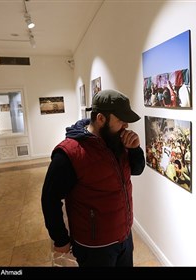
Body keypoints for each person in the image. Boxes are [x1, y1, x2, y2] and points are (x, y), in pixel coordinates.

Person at [41, 89, 145, 267]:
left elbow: (136, 170)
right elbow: (50, 198)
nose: (126, 125)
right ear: (101, 119)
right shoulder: (69, 153)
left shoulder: (118, 142)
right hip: (95, 246)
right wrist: (60, 239)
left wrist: (135, 149)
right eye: (121, 120)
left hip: (124, 236)